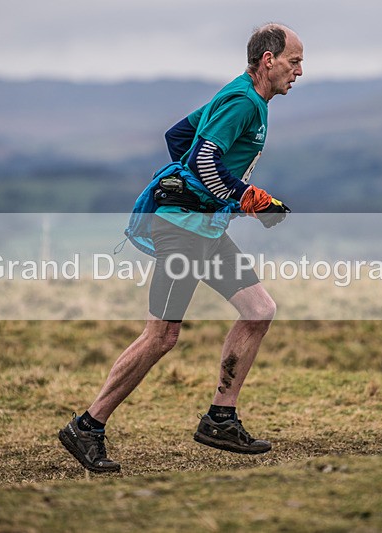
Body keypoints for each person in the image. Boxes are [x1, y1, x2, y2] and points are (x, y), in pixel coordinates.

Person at [59, 23, 304, 473]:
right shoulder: (243, 101)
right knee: (161, 336)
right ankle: (87, 426)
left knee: (258, 310)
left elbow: (177, 136)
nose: (299, 71)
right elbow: (203, 159)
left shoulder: (245, 97)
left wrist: (198, 192)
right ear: (268, 60)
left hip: (203, 228)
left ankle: (220, 419)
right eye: (294, 61)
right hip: (182, 230)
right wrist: (250, 199)